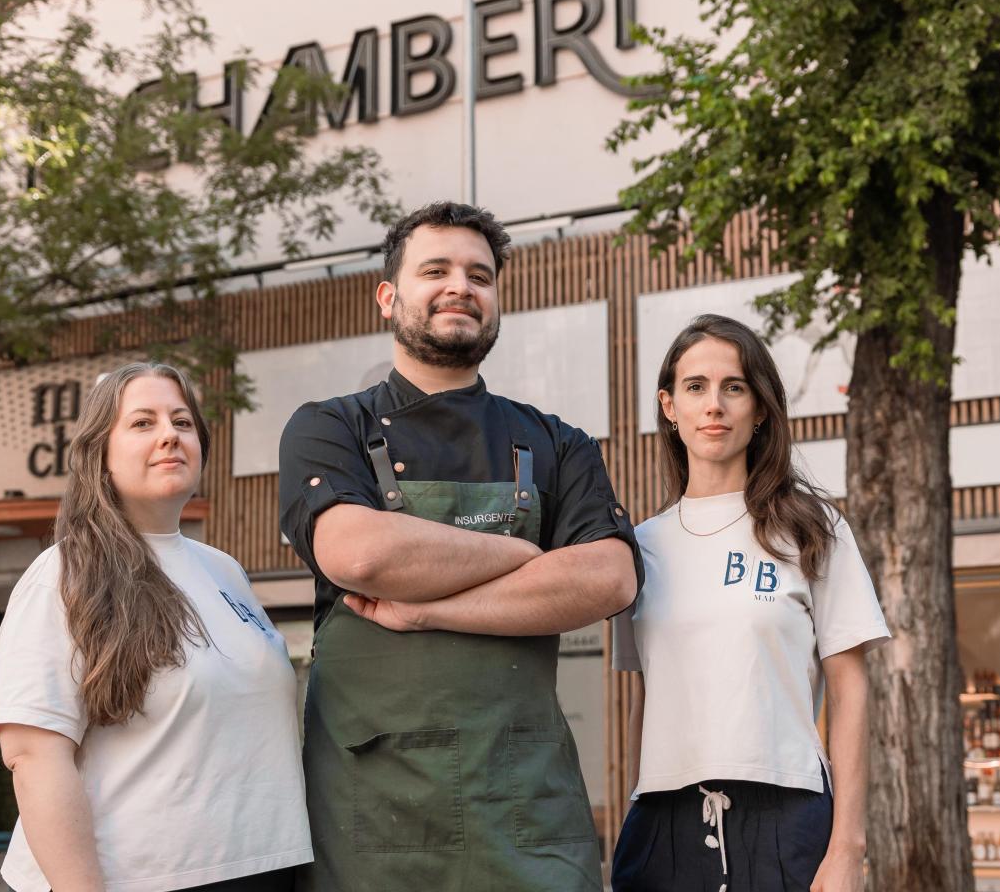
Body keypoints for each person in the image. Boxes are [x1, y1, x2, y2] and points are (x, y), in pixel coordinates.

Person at [278, 201, 640, 891]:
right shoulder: (329, 428)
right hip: (371, 811)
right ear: (388, 297)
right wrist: (523, 556)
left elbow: (610, 579)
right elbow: (361, 555)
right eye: (435, 270)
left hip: (526, 802)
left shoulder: (556, 441)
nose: (460, 287)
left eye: (480, 275)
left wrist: (426, 609)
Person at [0, 362, 309, 892]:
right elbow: (33, 756)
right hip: (140, 878)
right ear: (99, 452)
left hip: (263, 867)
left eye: (182, 422)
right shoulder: (64, 573)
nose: (170, 435)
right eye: (143, 423)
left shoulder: (224, 570)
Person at [611, 315, 891, 892]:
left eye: (733, 387)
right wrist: (634, 813)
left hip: (787, 817)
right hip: (663, 824)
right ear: (669, 406)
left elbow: (850, 690)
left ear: (760, 407)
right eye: (696, 387)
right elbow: (645, 698)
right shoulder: (637, 548)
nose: (714, 405)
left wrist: (848, 848)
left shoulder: (812, 529)